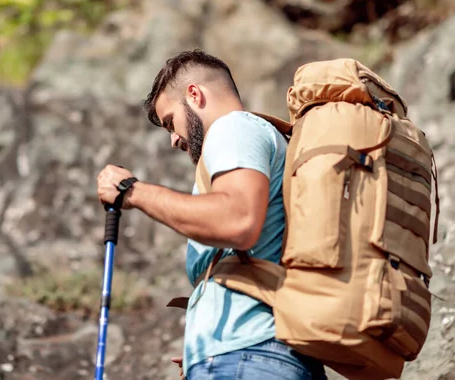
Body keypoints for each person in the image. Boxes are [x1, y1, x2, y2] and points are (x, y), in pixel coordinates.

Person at [96, 50, 327, 380]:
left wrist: (132, 190)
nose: (174, 139)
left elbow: (238, 221)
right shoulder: (261, 140)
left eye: (170, 122)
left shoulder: (234, 128)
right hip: (253, 355)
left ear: (194, 94)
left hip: (251, 355)